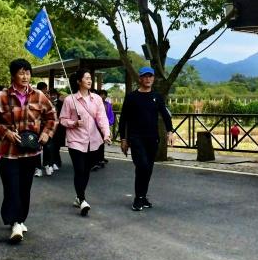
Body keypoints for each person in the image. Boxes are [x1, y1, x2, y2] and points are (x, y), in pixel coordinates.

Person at [0, 58, 57, 243]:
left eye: (27, 73)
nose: (25, 76)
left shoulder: (39, 96)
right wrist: (5, 132)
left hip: (31, 152)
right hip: (8, 152)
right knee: (12, 188)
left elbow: (52, 117)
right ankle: (16, 222)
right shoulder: (1, 96)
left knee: (25, 188)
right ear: (13, 75)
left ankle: (19, 219)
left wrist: (46, 133)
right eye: (21, 73)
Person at [119, 66, 174, 212]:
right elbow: (123, 119)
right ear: (140, 78)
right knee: (142, 166)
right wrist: (123, 139)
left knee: (148, 169)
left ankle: (143, 196)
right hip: (136, 138)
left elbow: (166, 115)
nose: (148, 79)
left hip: (152, 138)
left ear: (153, 78)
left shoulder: (157, 97)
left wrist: (170, 131)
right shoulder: (131, 97)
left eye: (150, 76)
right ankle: (138, 198)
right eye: (145, 76)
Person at [59, 69, 110, 216]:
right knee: (79, 169)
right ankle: (82, 200)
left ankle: (78, 196)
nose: (89, 80)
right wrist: (74, 123)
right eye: (86, 78)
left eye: (90, 78)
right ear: (78, 81)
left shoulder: (97, 99)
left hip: (93, 141)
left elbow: (102, 118)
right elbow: (62, 120)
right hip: (76, 140)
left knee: (86, 170)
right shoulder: (70, 100)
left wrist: (106, 133)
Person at [35, 82, 59, 177]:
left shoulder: (48, 100)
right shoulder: (34, 99)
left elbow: (54, 115)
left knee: (48, 147)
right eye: (44, 91)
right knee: (36, 148)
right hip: (36, 128)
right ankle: (38, 168)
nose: (45, 93)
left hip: (47, 127)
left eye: (46, 92)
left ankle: (47, 165)